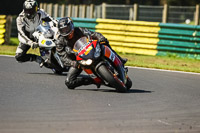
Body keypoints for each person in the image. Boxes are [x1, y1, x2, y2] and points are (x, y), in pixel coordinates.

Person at [55, 17, 127, 89]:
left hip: (91, 50)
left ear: (71, 26)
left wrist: (100, 38)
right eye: (63, 30)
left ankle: (119, 59)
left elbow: (93, 34)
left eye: (66, 29)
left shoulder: (79, 30)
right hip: (79, 61)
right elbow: (62, 57)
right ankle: (93, 80)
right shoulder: (60, 42)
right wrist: (72, 63)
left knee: (104, 43)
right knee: (69, 82)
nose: (66, 32)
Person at [15, 0, 57, 66]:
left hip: (40, 34)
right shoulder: (20, 18)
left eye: (31, 10)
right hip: (27, 38)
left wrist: (57, 24)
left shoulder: (41, 12)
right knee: (19, 56)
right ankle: (36, 58)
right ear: (24, 9)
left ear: (36, 8)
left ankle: (57, 52)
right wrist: (30, 42)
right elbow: (21, 34)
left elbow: (51, 19)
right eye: (27, 10)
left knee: (48, 61)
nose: (29, 13)